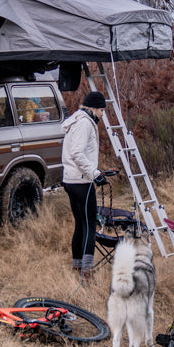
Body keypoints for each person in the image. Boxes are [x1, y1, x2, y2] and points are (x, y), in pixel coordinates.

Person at [62, 90, 107, 278]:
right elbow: (77, 154)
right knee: (89, 225)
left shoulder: (78, 121)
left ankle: (77, 265)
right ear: (94, 108)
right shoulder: (85, 124)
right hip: (81, 181)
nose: (103, 114)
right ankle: (87, 272)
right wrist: (94, 173)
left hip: (71, 179)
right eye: (102, 110)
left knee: (80, 224)